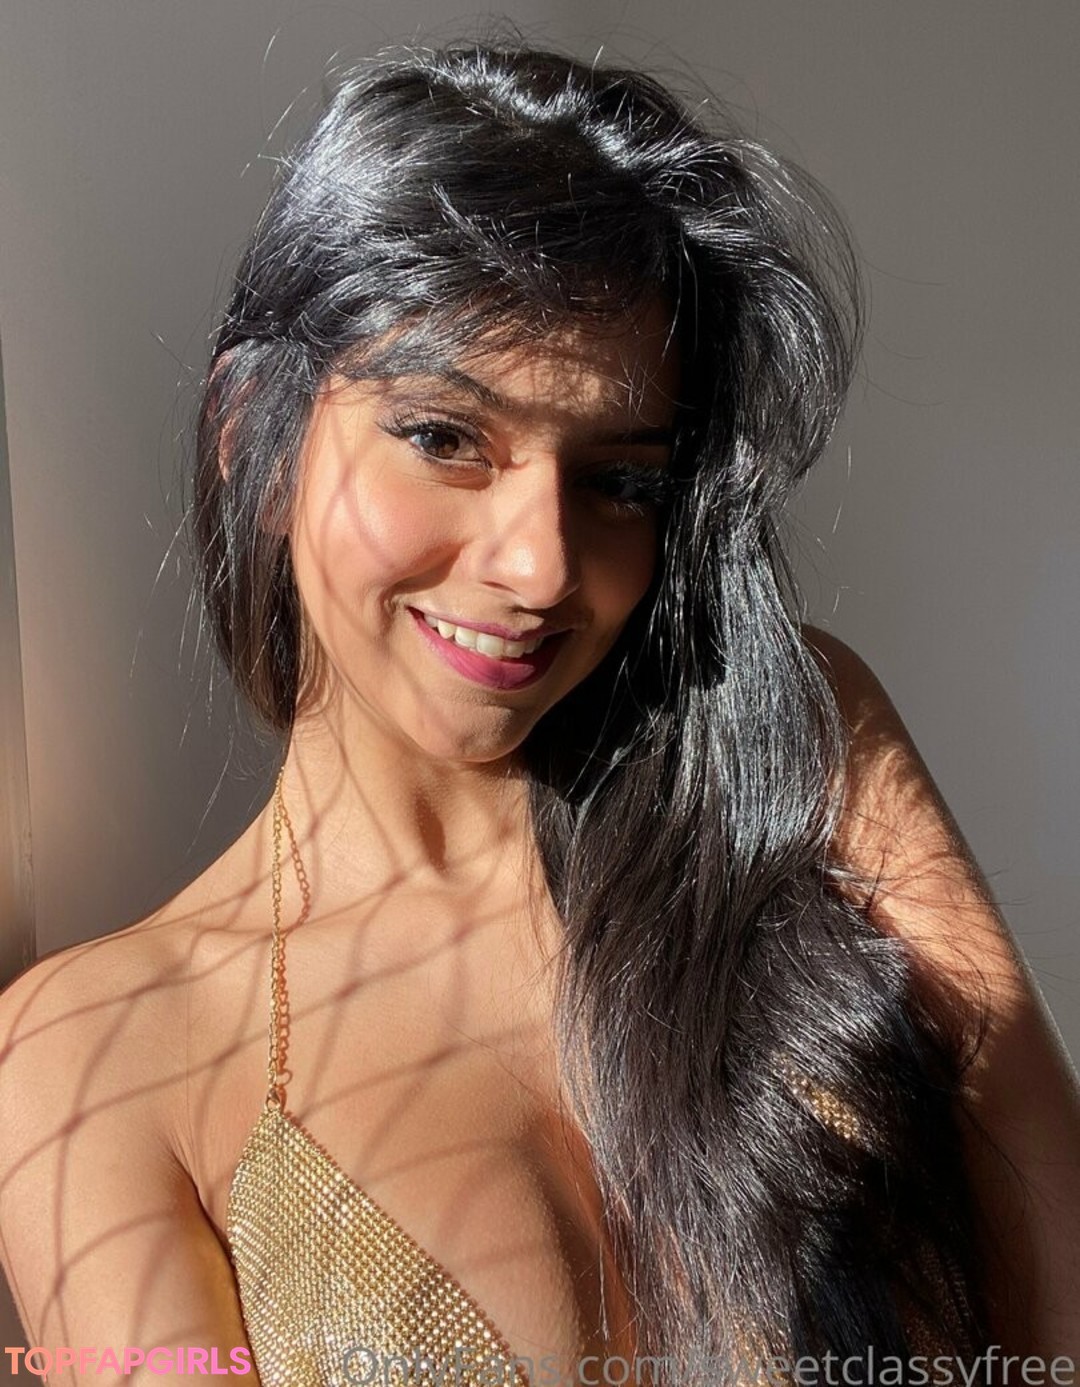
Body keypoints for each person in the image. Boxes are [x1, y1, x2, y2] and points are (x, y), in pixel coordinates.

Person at [1, 37, 1079, 1387]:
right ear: (250, 442)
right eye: (445, 437)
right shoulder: (88, 1054)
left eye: (619, 481)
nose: (543, 565)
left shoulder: (793, 753)